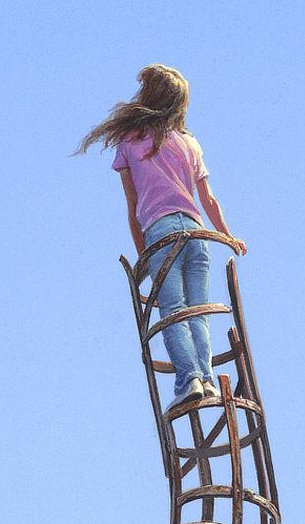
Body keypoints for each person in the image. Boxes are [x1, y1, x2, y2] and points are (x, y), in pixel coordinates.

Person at [77, 64, 246, 410]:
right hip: (197, 233)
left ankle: (189, 380)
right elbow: (209, 199)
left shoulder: (129, 142)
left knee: (172, 310)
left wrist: (144, 255)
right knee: (197, 311)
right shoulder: (189, 143)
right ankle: (207, 379)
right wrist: (227, 235)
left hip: (162, 233)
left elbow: (133, 206)